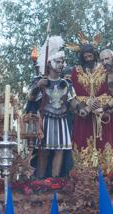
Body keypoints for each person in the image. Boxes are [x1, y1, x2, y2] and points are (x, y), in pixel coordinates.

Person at [67, 36, 113, 169]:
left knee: (105, 143)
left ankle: (108, 176)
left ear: (95, 55)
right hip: (84, 116)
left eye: (90, 56)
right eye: (85, 57)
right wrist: (87, 102)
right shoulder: (76, 71)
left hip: (102, 113)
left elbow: (111, 91)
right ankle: (83, 175)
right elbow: (72, 94)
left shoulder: (105, 70)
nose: (88, 59)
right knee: (83, 144)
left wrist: (98, 103)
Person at [28, 36, 73, 178]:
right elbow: (31, 98)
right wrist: (37, 87)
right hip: (45, 119)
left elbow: (73, 100)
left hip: (62, 119)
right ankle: (41, 182)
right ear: (49, 63)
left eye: (62, 62)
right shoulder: (40, 81)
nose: (61, 64)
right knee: (44, 151)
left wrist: (82, 109)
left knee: (60, 150)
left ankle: (55, 181)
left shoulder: (66, 83)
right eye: (58, 61)